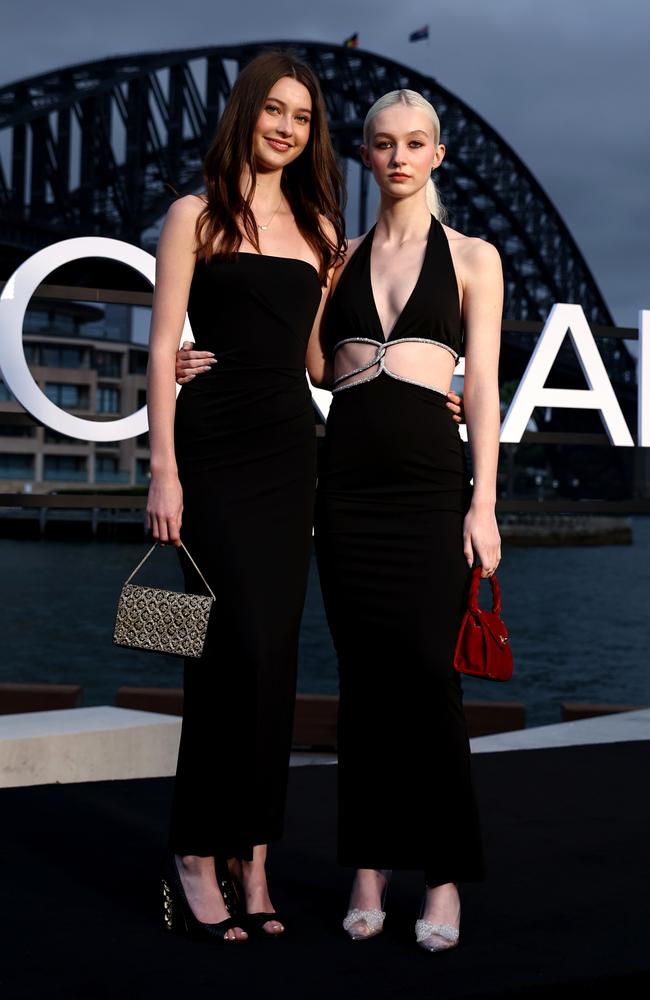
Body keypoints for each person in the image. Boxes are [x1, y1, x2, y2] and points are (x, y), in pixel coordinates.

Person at [146, 50, 345, 943]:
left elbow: (311, 363)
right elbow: (162, 350)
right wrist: (163, 468)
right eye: (274, 110)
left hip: (285, 449)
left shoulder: (318, 227)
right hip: (213, 446)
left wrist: (421, 379)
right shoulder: (195, 215)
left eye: (301, 117)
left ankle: (253, 855)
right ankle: (194, 852)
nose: (286, 127)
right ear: (246, 113)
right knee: (221, 655)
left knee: (274, 660)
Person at [308, 89, 502, 953]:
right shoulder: (337, 258)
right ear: (364, 154)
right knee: (365, 686)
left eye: (414, 143)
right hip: (345, 490)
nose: (398, 157)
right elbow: (312, 361)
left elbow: (487, 388)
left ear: (438, 155)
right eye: (383, 144)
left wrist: (484, 501)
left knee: (430, 680)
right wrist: (195, 356)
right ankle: (368, 868)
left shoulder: (473, 257)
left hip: (430, 489)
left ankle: (446, 878)